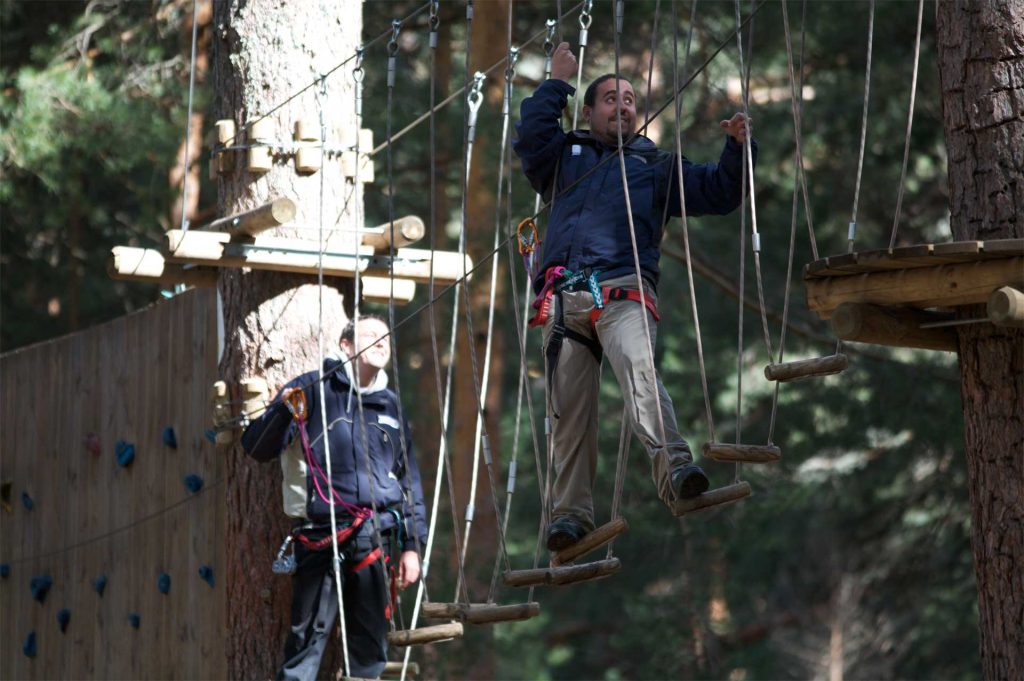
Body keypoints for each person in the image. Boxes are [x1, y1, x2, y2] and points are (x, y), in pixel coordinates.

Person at [513, 42, 756, 551]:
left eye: (628, 100)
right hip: (565, 300)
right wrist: (557, 81)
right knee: (568, 413)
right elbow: (532, 136)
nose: (622, 106)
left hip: (621, 291)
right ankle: (570, 516)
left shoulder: (655, 166)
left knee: (640, 373)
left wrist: (735, 149)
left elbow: (718, 192)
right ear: (589, 110)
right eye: (609, 99)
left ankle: (677, 469)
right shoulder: (563, 158)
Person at [241, 314, 427, 681]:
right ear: (346, 346)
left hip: (376, 537)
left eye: (385, 339)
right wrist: (282, 408)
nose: (380, 342)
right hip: (321, 535)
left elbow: (410, 484)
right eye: (370, 335)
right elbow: (258, 448)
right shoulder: (312, 390)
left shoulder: (390, 406)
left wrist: (412, 547)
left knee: (370, 647)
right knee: (306, 643)